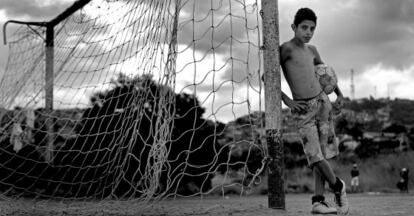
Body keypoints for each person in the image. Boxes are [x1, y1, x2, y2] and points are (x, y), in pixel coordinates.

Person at [279, 8, 348, 214]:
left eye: (312, 29)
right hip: (303, 109)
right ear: (294, 27)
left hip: (323, 104)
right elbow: (269, 77)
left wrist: (339, 94)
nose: (308, 32)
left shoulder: (313, 50)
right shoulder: (286, 49)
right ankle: (338, 186)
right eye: (304, 28)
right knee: (313, 153)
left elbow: (326, 75)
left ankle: (318, 202)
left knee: (322, 154)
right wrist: (288, 101)